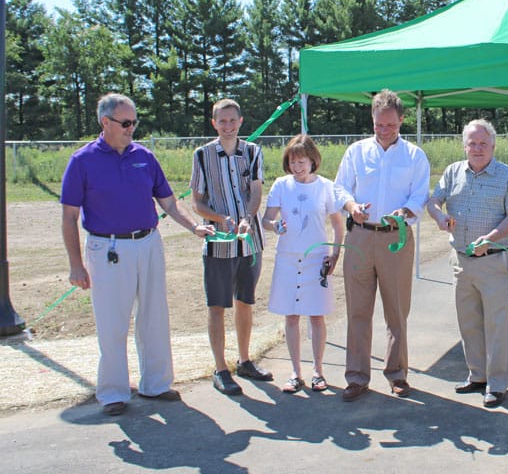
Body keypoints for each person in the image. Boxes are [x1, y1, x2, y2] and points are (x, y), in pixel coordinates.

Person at [61, 93, 214, 417]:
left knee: (155, 316)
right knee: (112, 322)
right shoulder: (82, 161)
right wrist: (76, 264)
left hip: (148, 243)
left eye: (135, 122)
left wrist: (193, 227)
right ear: (106, 122)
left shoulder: (144, 156)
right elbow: (69, 217)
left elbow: (169, 203)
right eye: (126, 122)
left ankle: (156, 384)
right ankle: (114, 392)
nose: (132, 128)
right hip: (107, 249)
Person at [334, 89, 430, 402]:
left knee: (397, 311)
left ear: (401, 120)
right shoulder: (356, 152)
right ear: (372, 120)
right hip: (360, 236)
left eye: (390, 125)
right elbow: (340, 189)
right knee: (358, 311)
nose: (384, 130)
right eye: (378, 125)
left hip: (396, 239)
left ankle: (397, 374)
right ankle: (357, 376)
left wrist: (405, 212)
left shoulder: (414, 156)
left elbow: (420, 195)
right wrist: (351, 207)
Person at [426, 119, 508, 408]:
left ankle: (497, 384)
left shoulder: (507, 176)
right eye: (472, 143)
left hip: (493, 260)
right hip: (461, 261)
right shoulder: (453, 172)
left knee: (495, 324)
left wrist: (491, 238)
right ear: (464, 146)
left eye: (483, 143)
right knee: (469, 321)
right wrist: (439, 217)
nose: (477, 148)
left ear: (493, 146)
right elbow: (433, 201)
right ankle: (477, 375)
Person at [190, 99, 268, 396]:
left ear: (240, 121)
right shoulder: (203, 155)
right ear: (214, 123)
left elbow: (256, 191)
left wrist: (247, 218)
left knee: (246, 301)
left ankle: (245, 360)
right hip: (219, 244)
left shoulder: (253, 152)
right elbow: (197, 202)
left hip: (250, 242)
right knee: (217, 306)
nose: (227, 126)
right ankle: (221, 368)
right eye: (222, 121)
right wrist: (219, 218)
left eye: (232, 121)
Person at [261, 134, 344, 394]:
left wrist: (335, 255)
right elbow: (266, 219)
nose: (298, 167)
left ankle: (318, 371)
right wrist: (275, 226)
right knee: (292, 316)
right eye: (293, 162)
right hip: (287, 258)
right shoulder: (281, 186)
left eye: (302, 161)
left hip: (316, 260)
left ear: (313, 161)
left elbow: (338, 226)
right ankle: (296, 373)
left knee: (317, 316)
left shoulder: (326, 187)